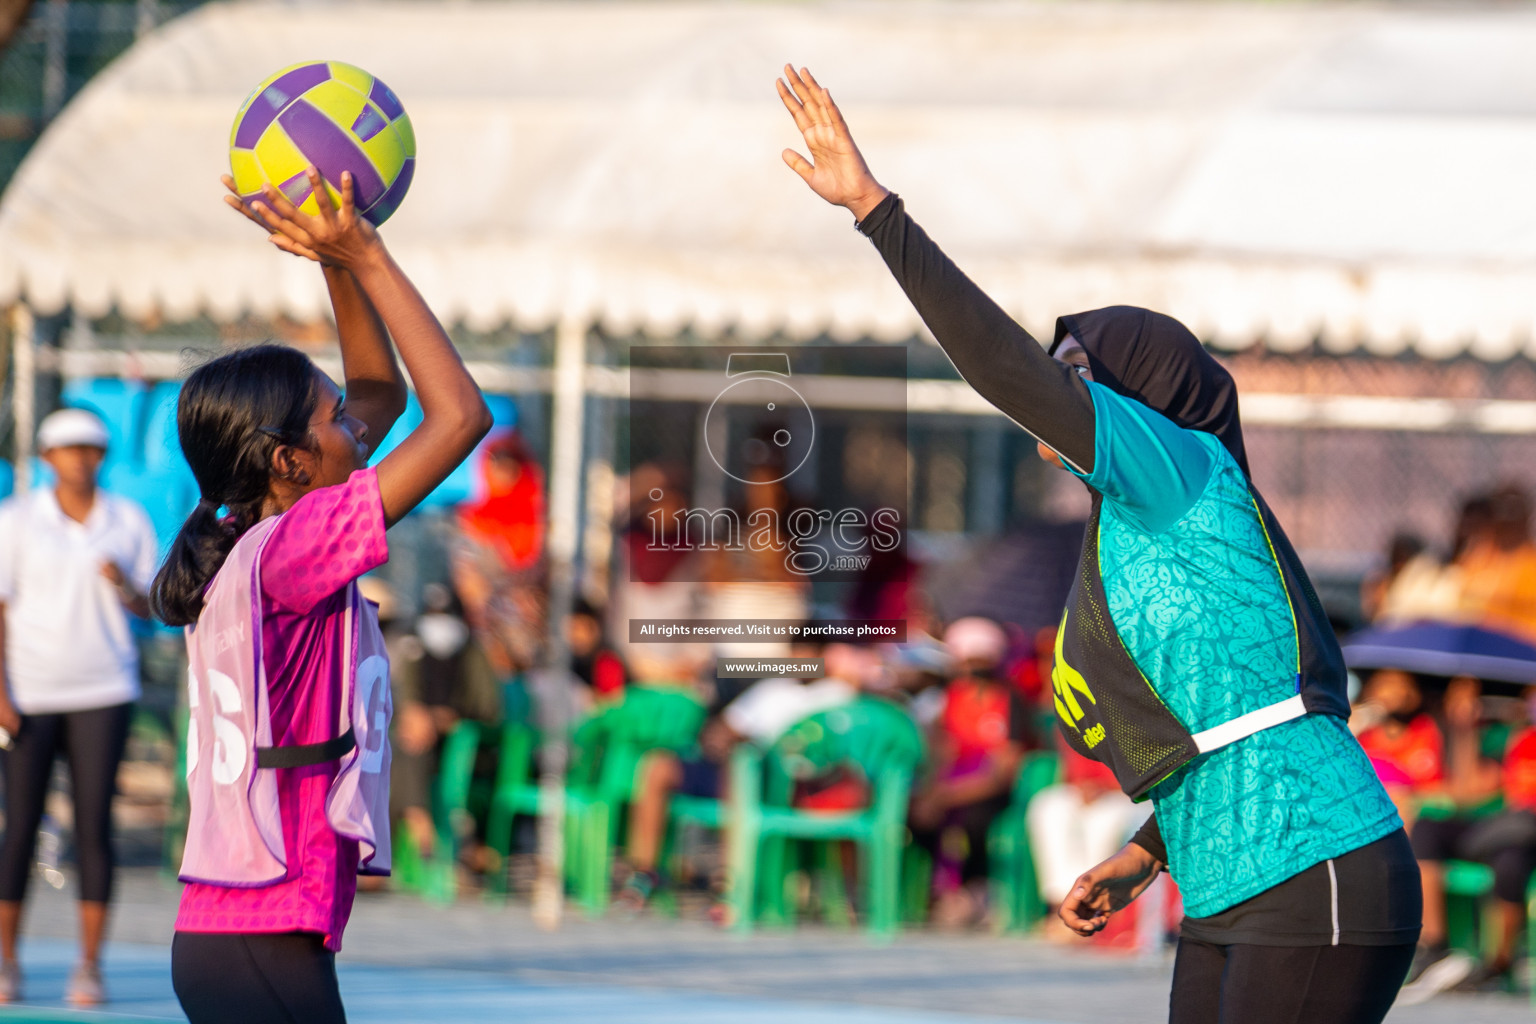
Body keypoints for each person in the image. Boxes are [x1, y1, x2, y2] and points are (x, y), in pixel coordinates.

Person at [778, 66, 1418, 1022]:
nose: (1058, 386)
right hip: (1226, 884)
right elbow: (1234, 721)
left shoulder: (1181, 468)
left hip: (1312, 864)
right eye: (1061, 370)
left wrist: (876, 211)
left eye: (1080, 373)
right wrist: (1142, 856)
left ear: (1143, 395)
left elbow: (1002, 371)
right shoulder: (1146, 526)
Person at [161, 167, 490, 1024]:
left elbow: (385, 394)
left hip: (249, 934)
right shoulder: (295, 550)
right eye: (335, 420)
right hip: (258, 934)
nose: (359, 426)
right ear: (286, 461)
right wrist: (368, 253)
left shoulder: (257, 538)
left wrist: (331, 255)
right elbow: (458, 417)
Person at [0, 408, 159, 1006]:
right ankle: (7, 960)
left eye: (91, 448)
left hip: (104, 689)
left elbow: (150, 604)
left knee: (95, 828)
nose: (80, 458)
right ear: (46, 458)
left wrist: (123, 583)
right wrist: (2, 695)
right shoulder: (15, 521)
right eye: (68, 449)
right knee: (18, 829)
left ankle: (89, 965)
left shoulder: (128, 520)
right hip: (31, 694)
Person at [909, 617, 1033, 928]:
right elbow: (941, 752)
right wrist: (932, 792)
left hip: (991, 790)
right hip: (953, 784)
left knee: (976, 819)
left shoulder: (1011, 701)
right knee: (917, 816)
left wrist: (947, 795)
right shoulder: (950, 698)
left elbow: (1004, 770)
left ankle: (977, 889)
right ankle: (937, 891)